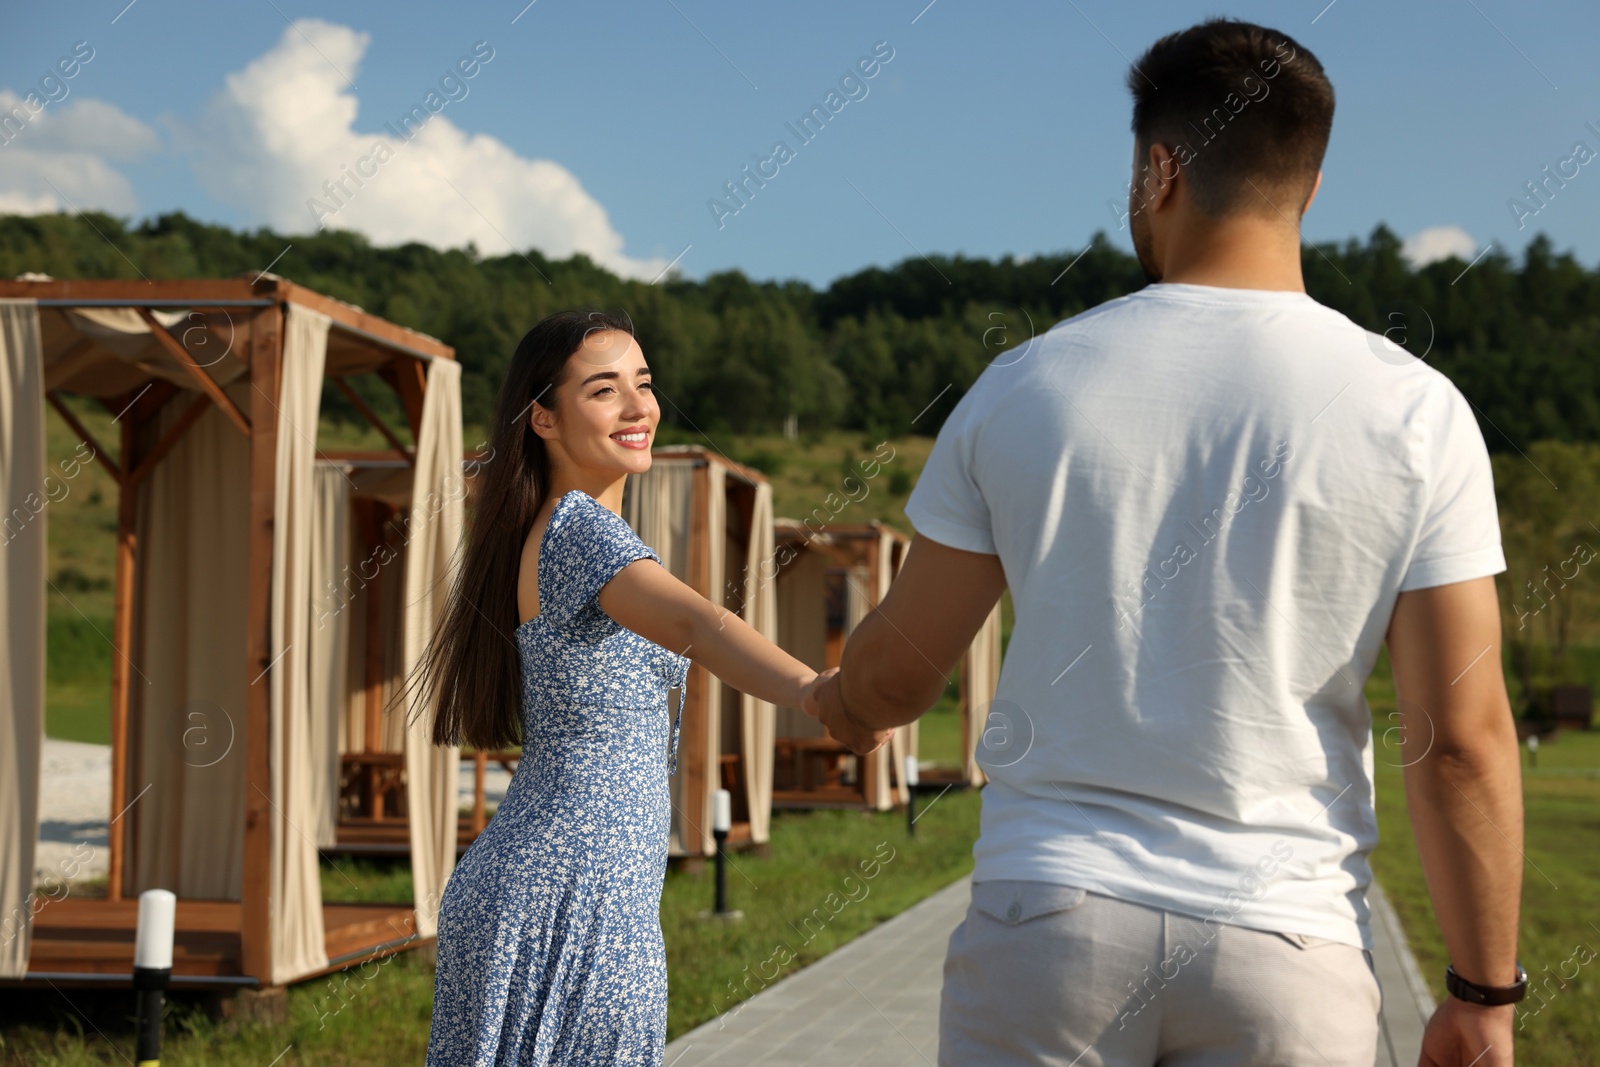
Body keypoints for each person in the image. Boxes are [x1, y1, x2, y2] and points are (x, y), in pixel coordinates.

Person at [807, 18, 1525, 1067]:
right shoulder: (1417, 412)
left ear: (1158, 169)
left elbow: (901, 670)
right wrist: (1479, 993)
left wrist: (840, 700)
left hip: (1048, 933)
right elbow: (1460, 739)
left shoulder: (1025, 384)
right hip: (1288, 947)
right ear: (1311, 185)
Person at [416, 310, 833, 1065]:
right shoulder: (583, 530)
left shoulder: (549, 526)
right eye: (605, 391)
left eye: (644, 384)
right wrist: (817, 691)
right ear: (542, 417)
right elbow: (701, 626)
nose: (639, 407)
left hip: (553, 882)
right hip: (576, 893)